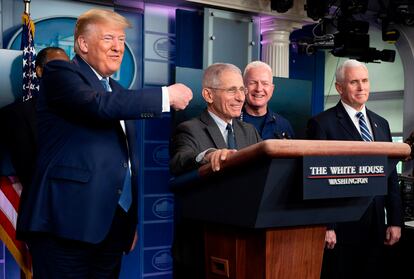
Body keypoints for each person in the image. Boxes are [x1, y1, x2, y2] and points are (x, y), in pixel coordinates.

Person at [16, 9, 192, 279]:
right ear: (83, 44)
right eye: (109, 38)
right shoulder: (60, 73)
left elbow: (126, 163)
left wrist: (129, 222)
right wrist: (165, 96)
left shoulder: (119, 93)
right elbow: (95, 105)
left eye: (122, 40)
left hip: (113, 228)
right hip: (65, 225)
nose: (117, 47)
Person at [306, 59, 402, 279]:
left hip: (377, 223)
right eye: (354, 82)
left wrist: (395, 220)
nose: (362, 88)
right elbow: (316, 179)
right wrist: (326, 225)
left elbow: (391, 176)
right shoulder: (322, 124)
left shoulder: (382, 123)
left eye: (365, 81)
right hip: (341, 226)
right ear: (339, 87)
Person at [169, 63, 261, 278]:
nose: (240, 98)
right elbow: (180, 160)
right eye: (232, 90)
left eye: (242, 90)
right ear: (208, 94)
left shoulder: (249, 131)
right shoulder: (189, 128)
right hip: (201, 245)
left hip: (244, 241)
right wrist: (208, 155)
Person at [0, 46, 69, 190]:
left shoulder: (79, 108)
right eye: (57, 67)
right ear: (39, 71)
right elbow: (26, 168)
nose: (64, 74)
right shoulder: (17, 113)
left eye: (67, 69)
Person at [241, 60, 295, 139]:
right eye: (253, 83)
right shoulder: (231, 122)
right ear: (243, 87)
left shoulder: (283, 125)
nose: (259, 89)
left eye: (265, 83)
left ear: (272, 89)